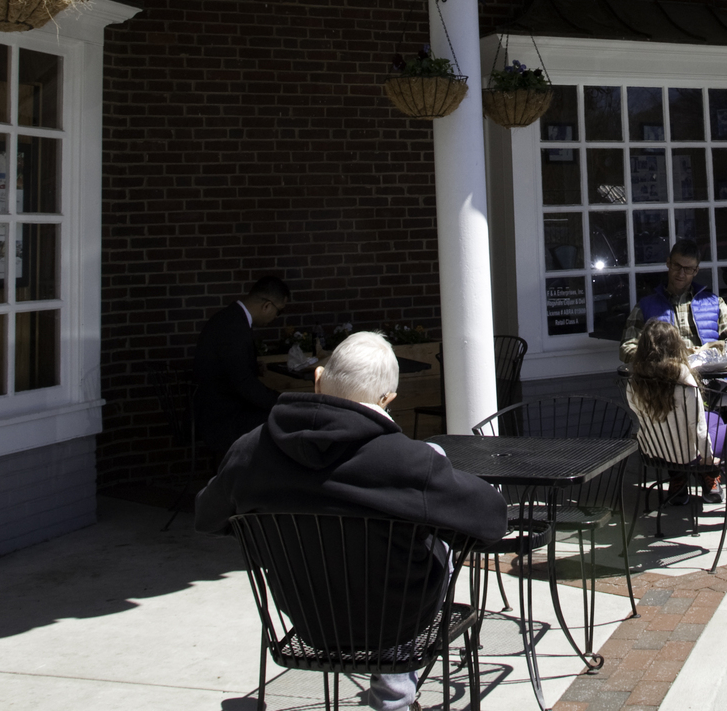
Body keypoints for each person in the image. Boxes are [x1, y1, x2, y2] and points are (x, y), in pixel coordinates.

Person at [196, 331, 507, 711]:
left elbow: (207, 517)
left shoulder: (249, 451)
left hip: (306, 616)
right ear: (387, 400)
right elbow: (491, 521)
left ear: (317, 378)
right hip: (398, 622)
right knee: (425, 528)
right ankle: (394, 695)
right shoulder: (411, 462)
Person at [625, 320, 727, 501]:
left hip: (656, 450)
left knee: (715, 418)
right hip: (688, 452)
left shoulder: (634, 380)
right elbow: (697, 426)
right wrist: (707, 458)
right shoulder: (682, 376)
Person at [193, 276, 289, 457]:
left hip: (216, 410)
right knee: (285, 419)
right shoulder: (235, 328)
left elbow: (232, 370)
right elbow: (244, 384)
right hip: (222, 418)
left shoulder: (229, 318)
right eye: (279, 312)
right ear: (267, 306)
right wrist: (282, 402)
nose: (276, 318)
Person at [618, 239, 727, 361]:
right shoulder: (645, 306)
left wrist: (707, 352)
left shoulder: (715, 304)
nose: (681, 274)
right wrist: (662, 359)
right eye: (677, 266)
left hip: (711, 379)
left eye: (688, 269)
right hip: (665, 379)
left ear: (696, 270)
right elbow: (626, 349)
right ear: (668, 263)